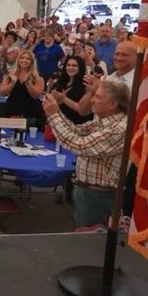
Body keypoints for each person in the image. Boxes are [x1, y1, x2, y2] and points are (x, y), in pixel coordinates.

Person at [42, 80, 129, 227]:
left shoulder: (119, 128)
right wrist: (55, 111)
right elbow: (77, 130)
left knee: (91, 241)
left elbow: (79, 145)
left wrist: (53, 116)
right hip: (89, 192)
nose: (92, 100)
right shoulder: (105, 121)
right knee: (85, 235)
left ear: (113, 104)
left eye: (97, 97)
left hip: (98, 196)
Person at [0, 50, 45, 130]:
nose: (24, 60)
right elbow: (2, 93)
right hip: (12, 111)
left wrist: (28, 83)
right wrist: (13, 82)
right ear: (18, 60)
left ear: (32, 62)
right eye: (22, 58)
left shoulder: (38, 77)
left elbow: (35, 95)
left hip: (31, 113)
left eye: (28, 59)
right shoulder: (10, 74)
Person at [49, 55, 92, 125]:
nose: (70, 68)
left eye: (74, 66)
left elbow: (82, 109)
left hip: (78, 124)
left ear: (80, 68)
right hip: (60, 122)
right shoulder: (60, 82)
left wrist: (63, 99)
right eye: (68, 65)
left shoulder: (86, 85)